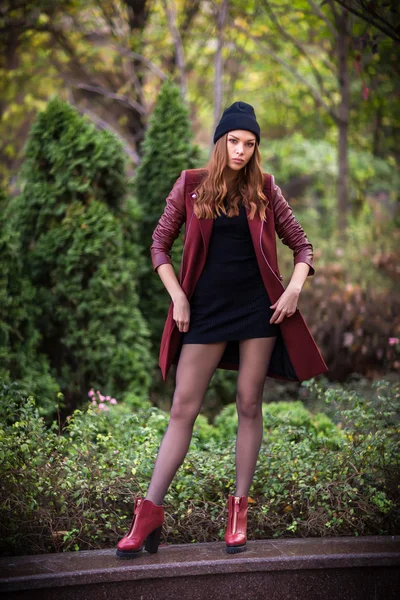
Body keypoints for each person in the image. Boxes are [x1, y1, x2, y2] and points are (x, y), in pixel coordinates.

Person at [116, 101, 325, 559]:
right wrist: (179, 297)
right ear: (220, 141)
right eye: (234, 141)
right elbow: (159, 245)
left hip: (258, 310)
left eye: (250, 144)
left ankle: (238, 511)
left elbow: (303, 245)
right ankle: (149, 512)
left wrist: (293, 289)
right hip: (205, 311)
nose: (242, 150)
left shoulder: (266, 189)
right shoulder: (191, 185)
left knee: (249, 403)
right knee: (182, 408)